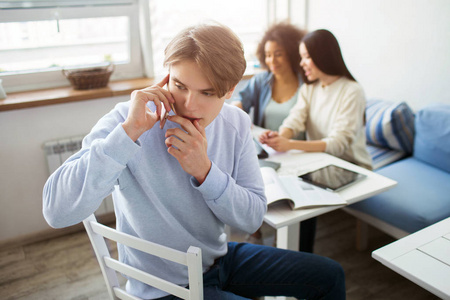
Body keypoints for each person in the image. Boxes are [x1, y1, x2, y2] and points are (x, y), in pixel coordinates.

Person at [43, 23, 345, 300]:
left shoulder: (237, 123)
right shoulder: (127, 119)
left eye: (207, 93)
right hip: (162, 288)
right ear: (166, 75)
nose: (189, 104)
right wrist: (128, 134)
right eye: (180, 86)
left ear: (229, 91)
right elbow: (56, 211)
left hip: (217, 259)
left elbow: (253, 218)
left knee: (330, 276)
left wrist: (205, 171)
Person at [232, 22, 319, 252]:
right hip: (265, 148)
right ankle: (255, 230)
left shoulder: (307, 84)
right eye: (268, 55)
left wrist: (286, 140)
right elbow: (241, 100)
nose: (272, 61)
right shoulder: (262, 81)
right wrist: (238, 108)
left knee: (290, 188)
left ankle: (285, 240)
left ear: (291, 53)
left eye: (278, 54)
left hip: (297, 152)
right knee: (246, 173)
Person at [260, 29, 372, 170]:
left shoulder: (352, 91)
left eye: (306, 57)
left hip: (351, 166)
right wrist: (279, 138)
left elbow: (338, 143)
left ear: (323, 56)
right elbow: (295, 120)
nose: (302, 63)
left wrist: (290, 144)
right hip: (322, 162)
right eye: (301, 57)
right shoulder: (309, 88)